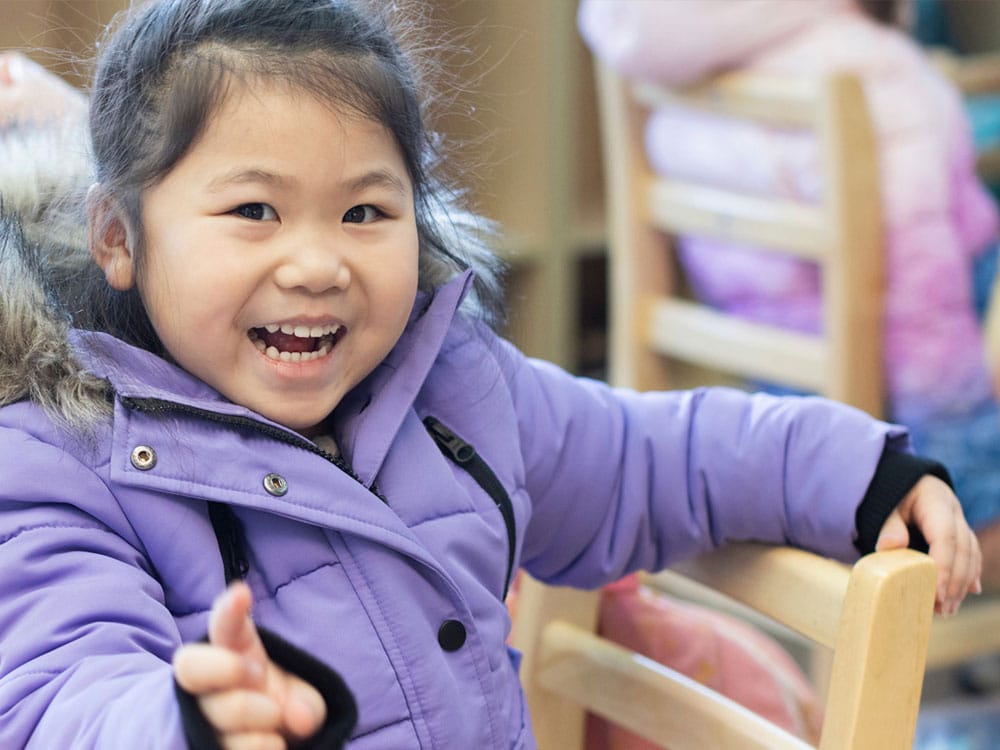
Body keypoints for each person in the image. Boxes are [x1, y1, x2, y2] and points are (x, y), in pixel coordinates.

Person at [0, 1, 981, 748]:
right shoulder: (56, 458)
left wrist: (854, 471)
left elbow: (647, 458)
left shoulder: (457, 388)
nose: (317, 262)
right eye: (254, 211)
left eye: (365, 213)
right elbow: (59, 690)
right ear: (118, 240)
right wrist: (195, 719)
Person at [580, 0, 1000, 588]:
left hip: (776, 364)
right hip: (899, 373)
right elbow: (924, 300)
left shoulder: (659, 43)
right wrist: (970, 472)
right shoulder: (870, 71)